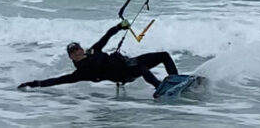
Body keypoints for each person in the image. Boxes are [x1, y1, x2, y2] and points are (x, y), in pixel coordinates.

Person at [17, 20, 179, 95]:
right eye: (74, 52)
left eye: (78, 48)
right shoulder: (81, 73)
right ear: (71, 57)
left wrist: (119, 27)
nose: (78, 51)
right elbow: (58, 80)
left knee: (164, 55)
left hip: (128, 62)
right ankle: (160, 89)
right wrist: (35, 84)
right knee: (142, 68)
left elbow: (106, 36)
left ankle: (176, 80)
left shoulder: (92, 51)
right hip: (122, 74)